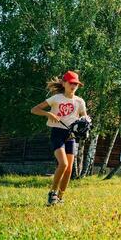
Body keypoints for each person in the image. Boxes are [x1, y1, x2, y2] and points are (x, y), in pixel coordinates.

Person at [31, 70, 87, 206]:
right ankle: (52, 193)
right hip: (57, 133)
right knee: (63, 164)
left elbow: (84, 117)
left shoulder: (80, 101)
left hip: (71, 135)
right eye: (71, 83)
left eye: (76, 84)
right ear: (64, 83)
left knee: (68, 170)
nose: (74, 86)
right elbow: (34, 109)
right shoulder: (56, 98)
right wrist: (49, 114)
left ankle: (60, 198)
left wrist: (84, 122)